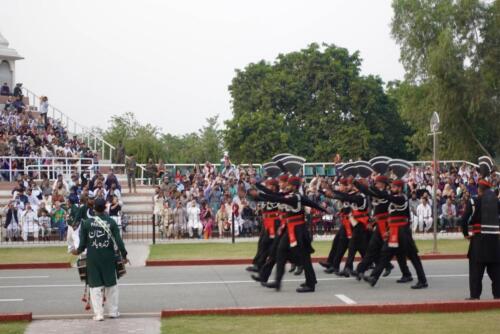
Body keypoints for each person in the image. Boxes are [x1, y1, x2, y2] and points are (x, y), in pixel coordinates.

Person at [249, 176, 326, 293]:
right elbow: (310, 203)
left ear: (294, 186)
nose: (286, 186)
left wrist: (259, 195)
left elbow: (277, 199)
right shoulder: (293, 196)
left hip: (299, 231)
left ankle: (310, 284)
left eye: (289, 184)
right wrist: (323, 209)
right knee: (280, 251)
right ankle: (277, 282)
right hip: (290, 228)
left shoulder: (294, 198)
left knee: (304, 258)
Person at [364, 179, 428, 289]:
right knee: (385, 254)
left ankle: (423, 281)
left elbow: (386, 196)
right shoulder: (394, 198)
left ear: (399, 188)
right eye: (391, 187)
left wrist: (373, 187)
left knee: (413, 257)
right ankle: (374, 277)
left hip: (403, 232)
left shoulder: (401, 198)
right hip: (394, 231)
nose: (391, 189)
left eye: (394, 187)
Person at [71, 198, 128, 321]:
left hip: (93, 258)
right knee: (111, 285)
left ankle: (99, 314)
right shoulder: (111, 222)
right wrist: (124, 255)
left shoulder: (86, 223)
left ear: (93, 209)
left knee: (95, 286)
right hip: (108, 257)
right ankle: (113, 312)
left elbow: (82, 246)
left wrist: (76, 251)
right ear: (105, 208)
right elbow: (119, 242)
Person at [461, 179, 500, 300]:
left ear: (479, 189)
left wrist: (466, 234)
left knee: (476, 272)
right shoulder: (497, 202)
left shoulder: (473, 201)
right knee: (496, 272)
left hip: (478, 240)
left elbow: (464, 220)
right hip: (494, 240)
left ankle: (475, 296)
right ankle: (498, 296)